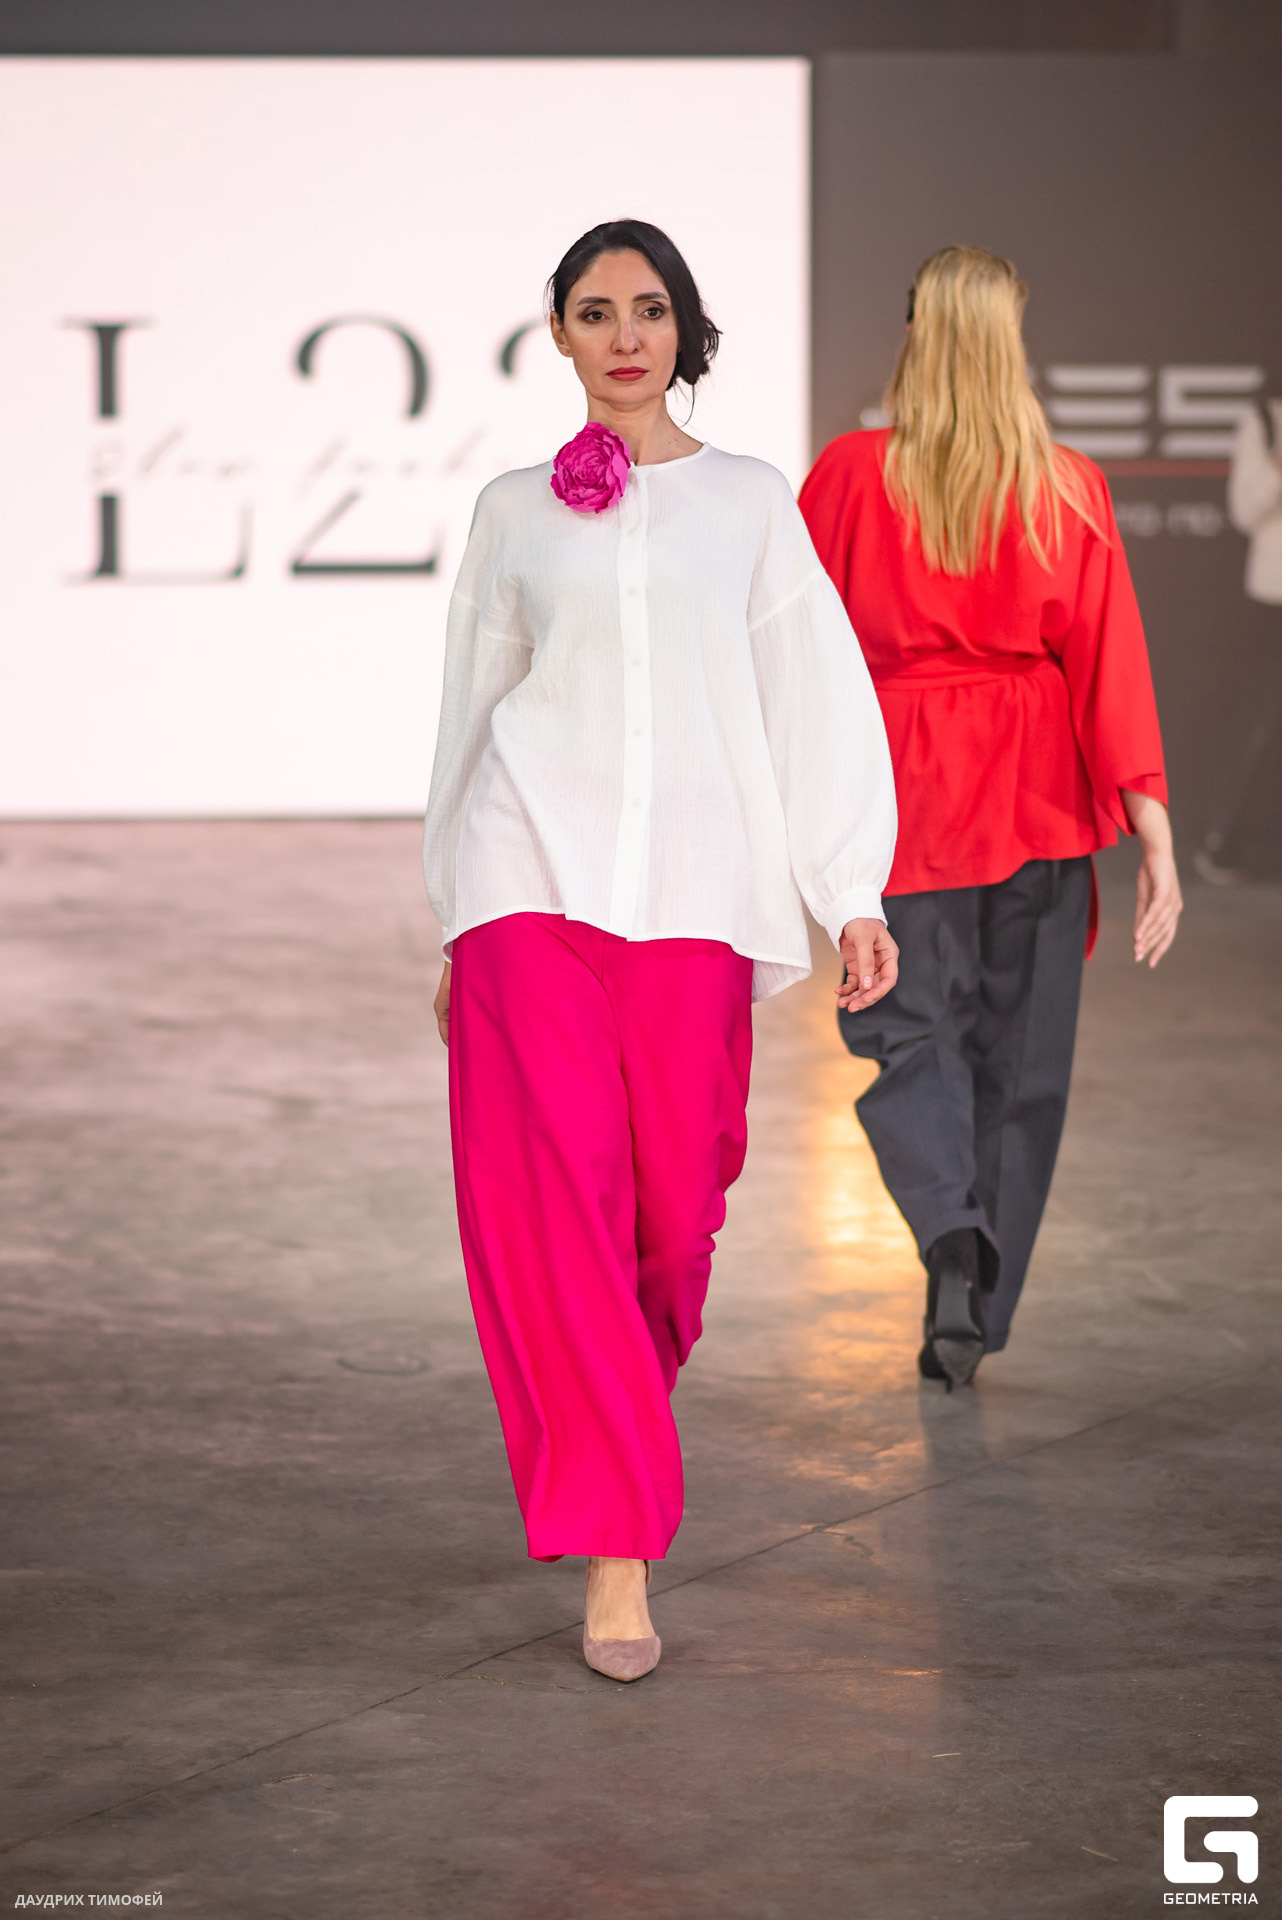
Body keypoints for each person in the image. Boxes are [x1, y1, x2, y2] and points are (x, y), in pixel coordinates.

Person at [423, 219, 897, 1679]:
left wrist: (850, 888)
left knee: (673, 1220)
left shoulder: (749, 502)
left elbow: (811, 692)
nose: (622, 335)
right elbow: (472, 707)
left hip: (698, 892)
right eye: (593, 311)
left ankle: (606, 1435)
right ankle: (615, 1553)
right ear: (557, 334)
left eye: (647, 309)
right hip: (525, 878)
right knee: (553, 1196)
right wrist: (454, 914)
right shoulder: (512, 509)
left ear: (683, 330)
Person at [799, 245, 1182, 1392]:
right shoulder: (1065, 486)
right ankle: (972, 1295)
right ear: (1009, 341)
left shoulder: (851, 475)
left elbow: (797, 655)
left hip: (902, 791)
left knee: (907, 1031)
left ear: (915, 334)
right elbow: (1109, 663)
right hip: (1037, 794)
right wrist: (1155, 836)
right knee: (1020, 1057)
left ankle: (947, 1230)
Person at [1194, 395, 1282, 884]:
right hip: (1273, 599)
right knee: (1257, 724)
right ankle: (1221, 839)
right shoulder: (1265, 422)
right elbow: (1245, 511)